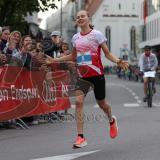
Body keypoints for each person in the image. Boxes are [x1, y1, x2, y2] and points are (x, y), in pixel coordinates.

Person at [46, 10, 128, 148]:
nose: (80, 18)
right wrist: (55, 60)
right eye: (77, 17)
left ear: (88, 18)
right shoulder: (75, 38)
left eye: (82, 16)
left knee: (103, 105)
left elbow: (107, 53)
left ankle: (111, 120)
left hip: (97, 75)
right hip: (83, 76)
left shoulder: (97, 35)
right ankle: (80, 137)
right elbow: (73, 56)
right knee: (78, 102)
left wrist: (118, 61)